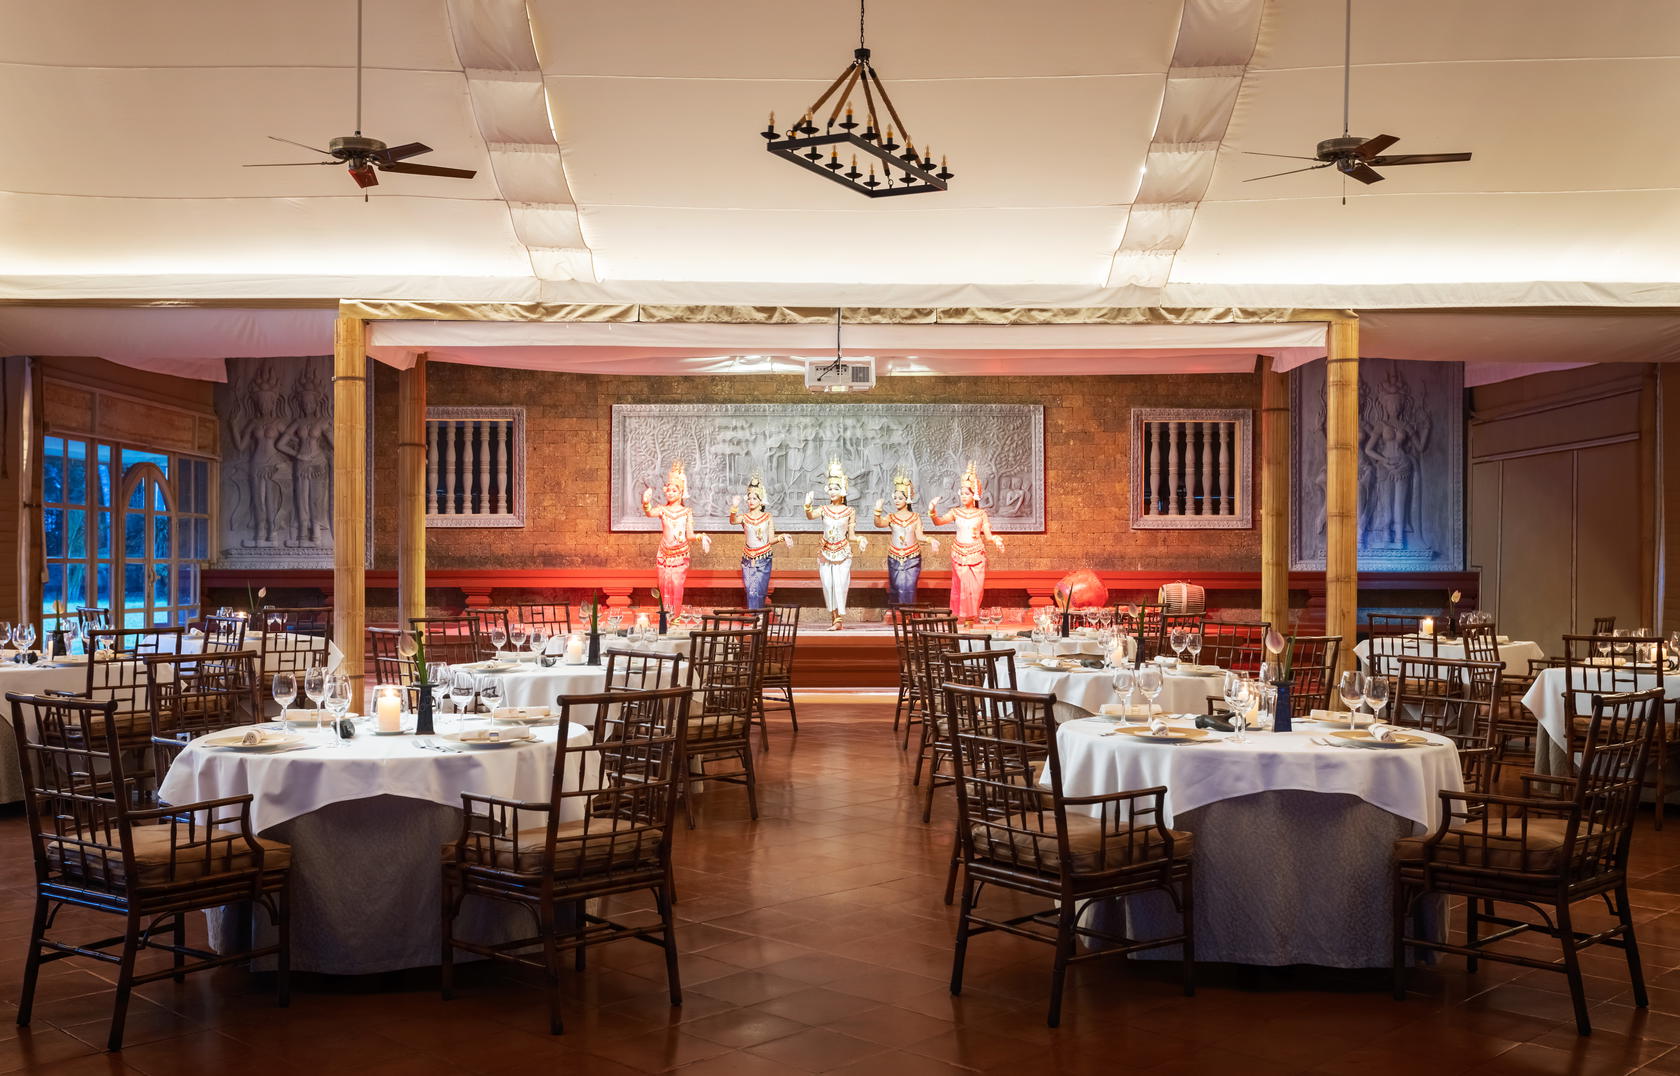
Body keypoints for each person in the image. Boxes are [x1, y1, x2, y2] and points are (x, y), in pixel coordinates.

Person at [929, 461, 1004, 623]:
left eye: (967, 493)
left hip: (977, 554)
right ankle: (962, 618)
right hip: (959, 554)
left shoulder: (981, 514)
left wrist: (996, 540)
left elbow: (988, 535)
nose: (963, 496)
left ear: (975, 494)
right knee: (962, 587)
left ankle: (972, 617)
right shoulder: (955, 512)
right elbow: (938, 522)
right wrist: (932, 511)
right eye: (962, 493)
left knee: (975, 590)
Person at [641, 461, 710, 615]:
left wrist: (701, 537)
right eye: (668, 490)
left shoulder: (686, 511)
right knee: (663, 586)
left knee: (677, 586)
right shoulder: (662, 510)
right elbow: (649, 513)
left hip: (680, 554)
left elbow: (690, 535)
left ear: (681, 492)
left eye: (674, 490)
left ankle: (676, 617)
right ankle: (665, 618)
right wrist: (646, 502)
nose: (670, 493)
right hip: (664, 553)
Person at [804, 459, 866, 630]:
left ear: (843, 490)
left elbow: (851, 536)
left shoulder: (849, 511)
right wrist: (808, 506)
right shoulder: (824, 509)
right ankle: (835, 619)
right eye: (830, 488)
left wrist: (860, 539)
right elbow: (810, 516)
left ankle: (839, 619)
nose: (832, 492)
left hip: (843, 552)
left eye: (836, 488)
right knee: (828, 585)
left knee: (840, 585)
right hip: (826, 552)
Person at [874, 472, 938, 609]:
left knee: (909, 587)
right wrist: (877, 511)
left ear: (907, 499)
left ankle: (908, 614)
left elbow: (919, 536)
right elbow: (879, 524)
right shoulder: (891, 516)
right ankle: (897, 615)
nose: (896, 501)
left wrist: (930, 539)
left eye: (900, 498)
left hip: (912, 557)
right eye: (895, 498)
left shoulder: (915, 517)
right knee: (896, 586)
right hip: (894, 557)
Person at [729, 474, 794, 610]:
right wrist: (734, 507)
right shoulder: (745, 517)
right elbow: (732, 521)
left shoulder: (767, 517)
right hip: (748, 558)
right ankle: (755, 617)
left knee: (760, 591)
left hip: (764, 558)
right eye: (749, 498)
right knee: (751, 590)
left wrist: (782, 537)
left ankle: (757, 616)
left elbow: (770, 540)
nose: (751, 501)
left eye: (754, 498)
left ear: (761, 500)